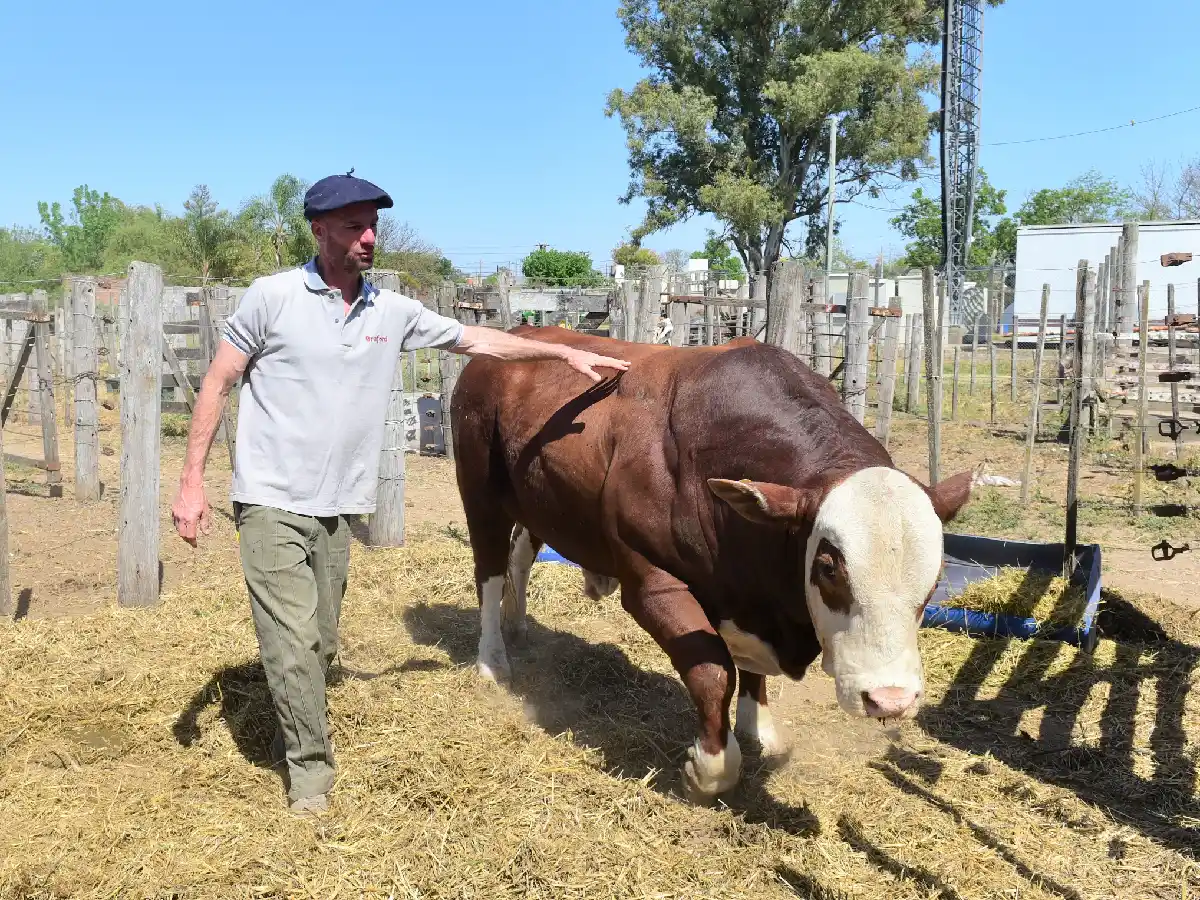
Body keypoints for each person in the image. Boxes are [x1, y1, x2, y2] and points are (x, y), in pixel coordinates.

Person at [170, 171, 630, 815]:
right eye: (355, 225)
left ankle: (297, 712)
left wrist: (563, 358)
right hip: (271, 498)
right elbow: (218, 382)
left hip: (338, 506)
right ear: (319, 230)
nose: (368, 237)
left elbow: (478, 340)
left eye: (374, 224)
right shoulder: (271, 298)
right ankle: (310, 777)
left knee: (321, 642)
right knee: (291, 640)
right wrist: (192, 482)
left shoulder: (390, 310)